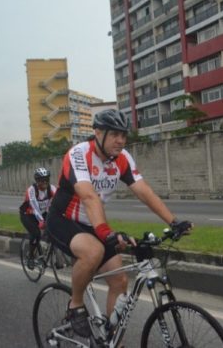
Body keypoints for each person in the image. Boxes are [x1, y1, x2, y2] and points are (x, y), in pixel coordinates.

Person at [47, 109, 192, 337]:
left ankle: (112, 339)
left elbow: (143, 191)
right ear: (97, 132)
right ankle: (75, 305)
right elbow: (89, 197)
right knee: (93, 251)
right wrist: (106, 233)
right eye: (114, 134)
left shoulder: (122, 158)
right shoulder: (78, 154)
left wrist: (174, 221)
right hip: (63, 220)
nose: (121, 140)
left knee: (120, 280)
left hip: (93, 224)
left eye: (124, 135)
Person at [19, 167, 57, 269]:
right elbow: (34, 206)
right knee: (35, 233)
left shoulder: (52, 188)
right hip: (28, 214)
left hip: (44, 212)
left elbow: (59, 202)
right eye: (41, 180)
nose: (44, 182)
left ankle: (45, 250)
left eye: (46, 180)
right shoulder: (31, 190)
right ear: (37, 181)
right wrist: (41, 221)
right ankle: (31, 256)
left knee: (56, 228)